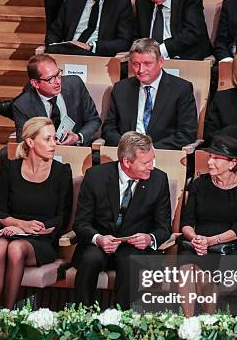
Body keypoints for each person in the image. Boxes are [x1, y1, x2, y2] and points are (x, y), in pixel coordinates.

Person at [72, 131, 171, 309]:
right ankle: (82, 318)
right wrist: (98, 238)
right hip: (100, 243)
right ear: (127, 162)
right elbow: (81, 223)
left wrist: (150, 238)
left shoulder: (158, 180)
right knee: (90, 260)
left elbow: (164, 228)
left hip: (134, 248)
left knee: (131, 261)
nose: (151, 166)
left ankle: (121, 319)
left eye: (152, 160)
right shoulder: (95, 177)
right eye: (146, 162)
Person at [0, 117, 73, 320]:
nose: (54, 144)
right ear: (31, 142)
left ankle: (7, 318)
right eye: (47, 139)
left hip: (41, 240)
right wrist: (19, 225)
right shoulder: (10, 169)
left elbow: (61, 218)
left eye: (54, 138)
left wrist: (28, 229)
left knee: (16, 248)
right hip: (11, 232)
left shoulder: (62, 172)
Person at [179, 135, 237, 315]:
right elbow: (187, 222)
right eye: (210, 156)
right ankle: (189, 326)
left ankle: (208, 323)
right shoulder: (199, 183)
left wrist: (211, 242)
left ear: (232, 163)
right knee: (186, 268)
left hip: (230, 246)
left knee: (202, 271)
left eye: (216, 158)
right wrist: (195, 238)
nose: (210, 162)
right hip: (197, 244)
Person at [102, 38, 198, 149]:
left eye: (147, 64)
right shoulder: (121, 88)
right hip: (126, 154)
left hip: (162, 154)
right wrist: (126, 147)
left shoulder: (181, 89)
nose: (141, 70)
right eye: (136, 64)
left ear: (161, 61)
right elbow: (109, 127)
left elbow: (187, 133)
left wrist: (149, 150)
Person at [13, 54, 101, 146]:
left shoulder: (75, 85)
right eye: (50, 79)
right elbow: (23, 141)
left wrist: (77, 137)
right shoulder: (22, 105)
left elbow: (94, 120)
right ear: (35, 83)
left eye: (58, 74)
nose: (58, 82)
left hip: (76, 148)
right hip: (43, 154)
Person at [134, 0, 213, 60]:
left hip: (183, 58)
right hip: (149, 62)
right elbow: (137, 37)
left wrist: (160, 50)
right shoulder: (142, 3)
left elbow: (193, 33)